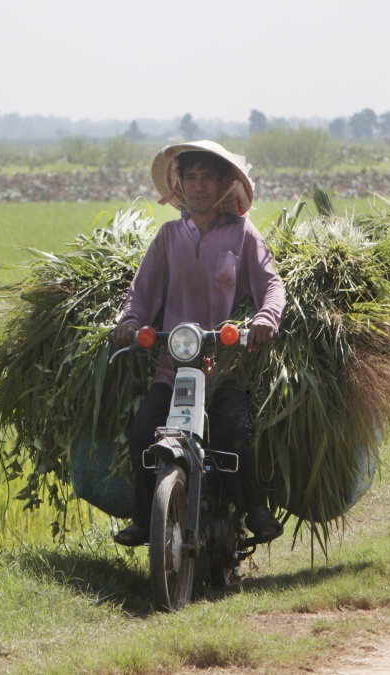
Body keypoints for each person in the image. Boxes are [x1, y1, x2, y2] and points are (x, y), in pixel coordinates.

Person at [110, 140, 286, 547]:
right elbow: (141, 292)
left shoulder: (243, 235)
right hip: (174, 365)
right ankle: (145, 517)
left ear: (225, 185)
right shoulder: (170, 237)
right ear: (180, 185)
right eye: (192, 177)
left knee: (235, 432)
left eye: (209, 177)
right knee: (142, 435)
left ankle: (254, 508)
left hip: (225, 365)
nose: (200, 185)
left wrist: (265, 318)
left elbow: (271, 285)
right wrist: (130, 322)